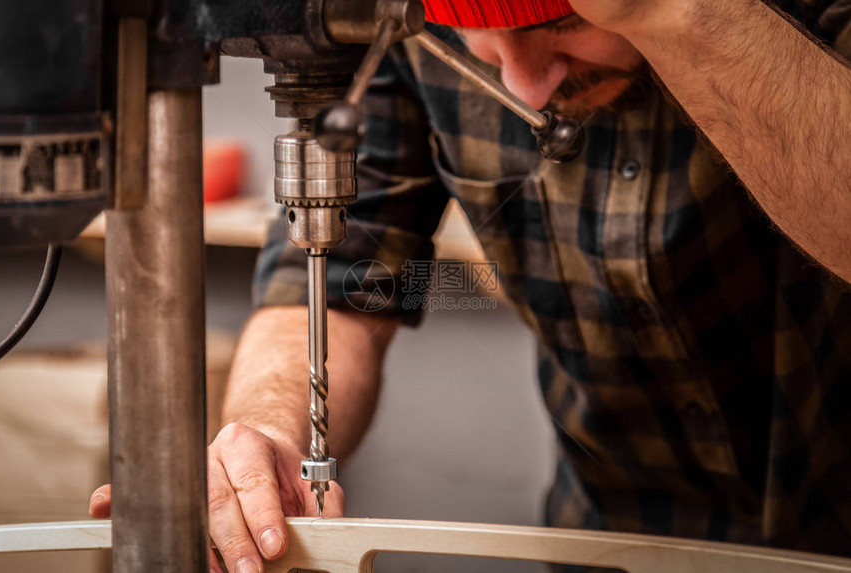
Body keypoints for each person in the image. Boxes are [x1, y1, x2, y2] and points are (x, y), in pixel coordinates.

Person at [90, 1, 851, 572]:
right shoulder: (401, 22)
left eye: (558, 21)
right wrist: (271, 432)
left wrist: (682, 18)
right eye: (480, 41)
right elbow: (334, 287)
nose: (523, 84)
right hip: (608, 538)